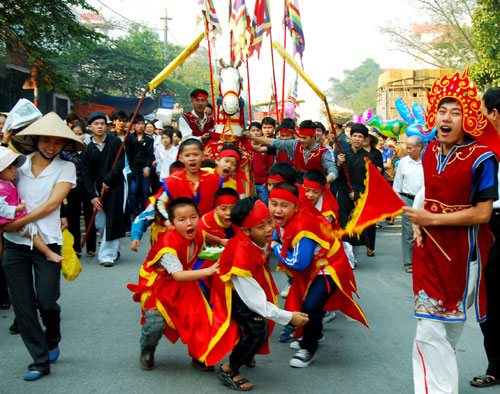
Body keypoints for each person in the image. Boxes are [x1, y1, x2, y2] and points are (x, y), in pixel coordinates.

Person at [403, 71, 499, 393]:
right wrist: (419, 219)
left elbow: (484, 213)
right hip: (428, 254)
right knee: (428, 332)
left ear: (466, 117)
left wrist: (432, 220)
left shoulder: (482, 159)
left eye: (455, 112)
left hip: (464, 258)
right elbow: (426, 194)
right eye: (442, 110)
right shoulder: (429, 151)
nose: (446, 118)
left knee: (446, 334)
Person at [2, 112, 83, 381]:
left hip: (48, 241)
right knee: (23, 306)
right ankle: (39, 360)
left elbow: (51, 205)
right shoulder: (16, 167)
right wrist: (9, 227)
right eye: (46, 140)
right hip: (14, 245)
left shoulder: (65, 168)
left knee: (47, 302)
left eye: (58, 142)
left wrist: (16, 223)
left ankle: (53, 337)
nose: (51, 146)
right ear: (35, 139)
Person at [201, 197, 309, 390]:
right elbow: (255, 302)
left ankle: (246, 354)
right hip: (235, 292)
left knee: (259, 326)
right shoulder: (241, 254)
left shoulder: (256, 238)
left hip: (246, 285)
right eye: (261, 226)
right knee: (256, 329)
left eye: (269, 221)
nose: (269, 228)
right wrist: (289, 317)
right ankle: (228, 369)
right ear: (246, 230)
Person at [268, 183, 368, 368]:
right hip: (314, 266)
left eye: (284, 205)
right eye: (274, 204)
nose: (278, 210)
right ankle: (315, 334)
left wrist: (275, 247)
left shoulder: (303, 227)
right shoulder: (281, 220)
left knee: (310, 304)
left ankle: (308, 348)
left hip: (330, 266)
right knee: (304, 301)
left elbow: (299, 263)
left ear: (296, 207)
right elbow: (276, 235)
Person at [127, 197, 219, 371]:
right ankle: (147, 349)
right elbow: (177, 275)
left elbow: (204, 235)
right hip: (159, 286)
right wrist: (208, 271)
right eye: (182, 220)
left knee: (199, 318)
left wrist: (221, 242)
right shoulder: (168, 246)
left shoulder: (195, 232)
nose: (189, 223)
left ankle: (200, 355)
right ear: (173, 224)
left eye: (193, 217)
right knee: (155, 325)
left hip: (184, 281)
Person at [470, 87, 500, 389]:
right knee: (488, 302)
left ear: (493, 114)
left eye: (483, 112)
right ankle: (496, 365)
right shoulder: (481, 148)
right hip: (490, 229)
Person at [0, 147, 64, 262]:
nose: (14, 171)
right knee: (31, 232)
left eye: (14, 167)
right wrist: (15, 210)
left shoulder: (8, 182)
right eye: (9, 168)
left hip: (12, 219)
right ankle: (48, 252)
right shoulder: (1, 187)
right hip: (8, 218)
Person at [80, 111, 126, 267]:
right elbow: (85, 174)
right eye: (96, 124)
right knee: (100, 222)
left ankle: (107, 255)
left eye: (102, 123)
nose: (99, 127)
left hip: (115, 186)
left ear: (107, 126)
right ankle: (115, 246)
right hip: (96, 189)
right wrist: (92, 196)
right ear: (89, 127)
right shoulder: (87, 150)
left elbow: (119, 163)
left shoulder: (115, 143)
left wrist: (108, 180)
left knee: (111, 221)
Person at [249, 120, 338, 183]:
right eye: (300, 137)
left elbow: (333, 171)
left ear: (313, 137)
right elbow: (273, 142)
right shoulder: (295, 144)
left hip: (317, 190)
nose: (301, 140)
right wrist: (252, 138)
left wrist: (322, 182)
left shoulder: (324, 152)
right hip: (299, 188)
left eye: (304, 138)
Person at [155, 138, 222, 221]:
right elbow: (159, 203)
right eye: (187, 156)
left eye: (196, 155)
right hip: (182, 230)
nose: (192, 159)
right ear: (181, 158)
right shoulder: (172, 182)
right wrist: (168, 221)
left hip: (208, 228)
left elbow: (221, 205)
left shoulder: (214, 180)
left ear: (203, 156)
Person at [336, 124, 373, 260]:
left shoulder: (368, 158)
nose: (357, 139)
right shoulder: (343, 155)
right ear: (350, 137)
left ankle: (354, 256)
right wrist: (339, 164)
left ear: (364, 139)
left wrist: (358, 194)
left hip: (359, 198)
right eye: (354, 136)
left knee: (357, 227)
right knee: (344, 226)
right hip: (344, 197)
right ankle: (347, 257)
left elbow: (370, 181)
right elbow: (337, 176)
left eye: (360, 136)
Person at [392, 135, 424, 273]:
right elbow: (397, 183)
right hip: (407, 199)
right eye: (407, 147)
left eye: (410, 148)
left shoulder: (428, 162)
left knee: (423, 230)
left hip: (423, 200)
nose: (408, 150)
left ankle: (422, 260)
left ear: (419, 147)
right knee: (409, 231)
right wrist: (397, 201)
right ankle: (409, 263)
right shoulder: (403, 162)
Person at [63, 123, 96, 258]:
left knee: (90, 217)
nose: (78, 136)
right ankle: (76, 247)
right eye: (75, 134)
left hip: (88, 188)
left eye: (80, 133)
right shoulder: (66, 152)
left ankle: (91, 247)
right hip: (72, 189)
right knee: (73, 219)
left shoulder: (89, 150)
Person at [126, 114, 154, 217]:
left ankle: (144, 212)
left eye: (142, 124)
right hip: (133, 169)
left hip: (145, 169)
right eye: (138, 124)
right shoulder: (129, 138)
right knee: (132, 192)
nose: (141, 126)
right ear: (133, 125)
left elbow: (150, 155)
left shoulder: (148, 139)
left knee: (145, 192)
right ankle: (133, 213)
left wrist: (147, 167)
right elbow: (128, 155)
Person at [249, 121, 273, 204]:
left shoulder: (266, 147)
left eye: (258, 130)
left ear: (261, 131)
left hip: (262, 184)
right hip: (250, 183)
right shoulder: (245, 146)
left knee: (265, 206)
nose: (255, 133)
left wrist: (266, 183)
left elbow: (270, 166)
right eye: (253, 130)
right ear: (249, 132)